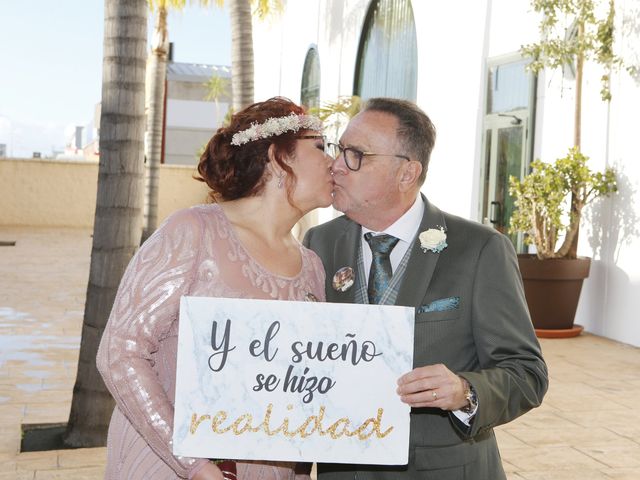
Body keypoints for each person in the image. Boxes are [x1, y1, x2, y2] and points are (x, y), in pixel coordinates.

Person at [303, 97, 548, 480]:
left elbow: (526, 373)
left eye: (355, 155)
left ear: (406, 173)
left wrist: (465, 391)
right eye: (339, 150)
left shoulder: (479, 250)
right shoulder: (318, 243)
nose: (336, 165)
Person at [97, 97, 333, 480]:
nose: (333, 162)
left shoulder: (312, 267)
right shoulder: (192, 232)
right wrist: (195, 464)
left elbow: (303, 387)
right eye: (321, 147)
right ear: (278, 156)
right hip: (168, 466)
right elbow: (119, 353)